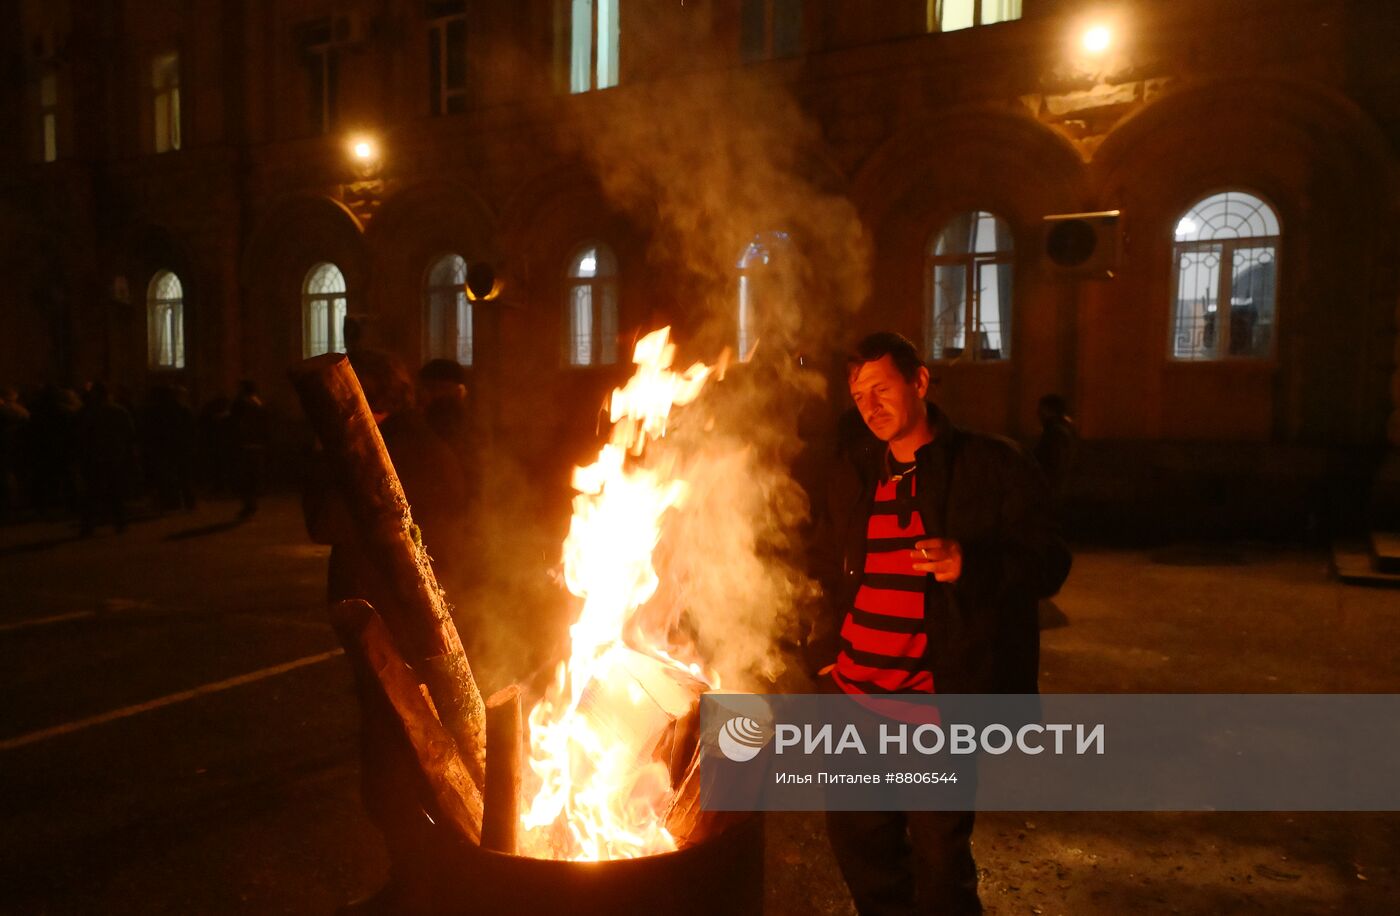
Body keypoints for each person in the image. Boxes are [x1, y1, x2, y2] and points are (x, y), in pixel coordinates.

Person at [808, 332, 1071, 916]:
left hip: (931, 714)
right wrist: (825, 655)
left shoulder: (990, 465)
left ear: (919, 382)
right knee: (866, 860)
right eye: (858, 396)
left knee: (941, 870)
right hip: (851, 704)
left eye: (882, 388)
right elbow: (824, 572)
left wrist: (968, 564)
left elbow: (1050, 559)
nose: (870, 406)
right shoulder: (854, 476)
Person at [229, 380, 269, 519]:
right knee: (254, 476)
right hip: (257, 444)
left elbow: (234, 422)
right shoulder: (258, 403)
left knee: (245, 477)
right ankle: (252, 503)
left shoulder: (241, 403)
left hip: (244, 444)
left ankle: (249, 504)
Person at [1032, 393, 1078, 506]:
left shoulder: (1056, 433)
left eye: (1042, 408)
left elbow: (1055, 464)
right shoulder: (1059, 431)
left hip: (1049, 493)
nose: (1038, 412)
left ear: (1050, 410)